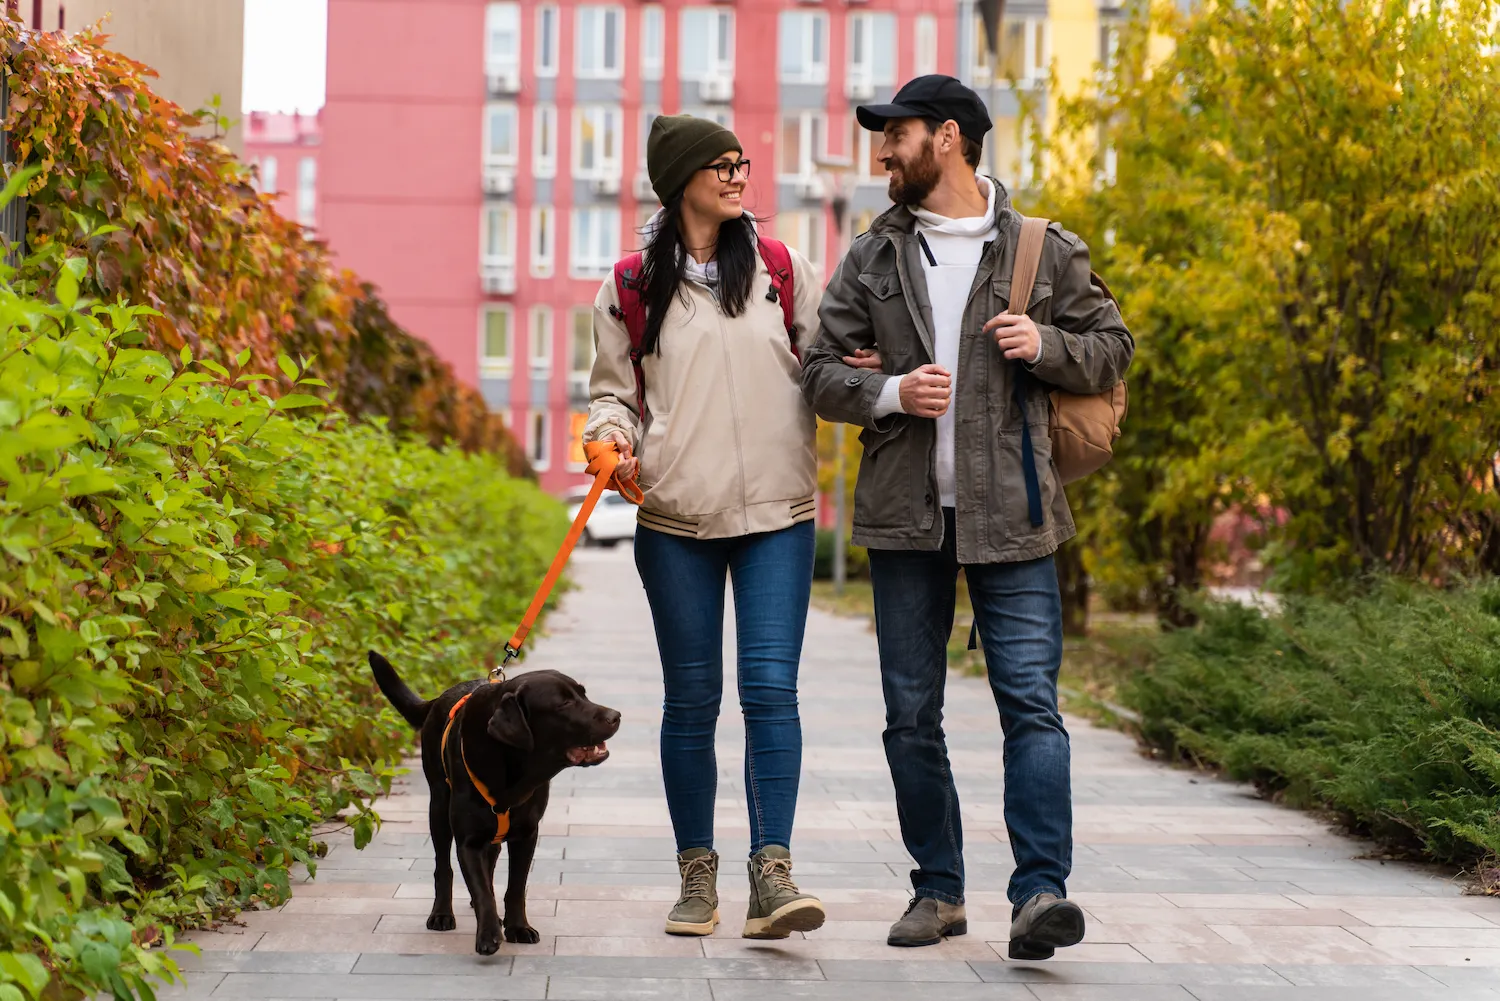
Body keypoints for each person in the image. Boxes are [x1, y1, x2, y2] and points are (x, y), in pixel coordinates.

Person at [801, 75, 1134, 959]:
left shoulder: (1040, 248)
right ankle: (939, 890)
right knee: (911, 714)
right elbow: (817, 370)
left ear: (947, 137)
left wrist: (1048, 344)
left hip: (1017, 515)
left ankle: (1039, 895)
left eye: (895, 135)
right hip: (905, 518)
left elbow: (1115, 348)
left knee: (1031, 706)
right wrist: (888, 391)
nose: (881, 152)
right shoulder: (874, 255)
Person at [583, 114, 828, 941]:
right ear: (681, 179)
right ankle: (697, 874)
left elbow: (824, 362)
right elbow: (613, 391)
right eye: (721, 165)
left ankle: (773, 871)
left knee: (769, 692)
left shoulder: (780, 268)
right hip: (677, 519)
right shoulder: (628, 285)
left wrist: (871, 376)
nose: (737, 176)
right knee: (691, 702)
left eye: (741, 163)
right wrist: (608, 437)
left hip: (777, 517)